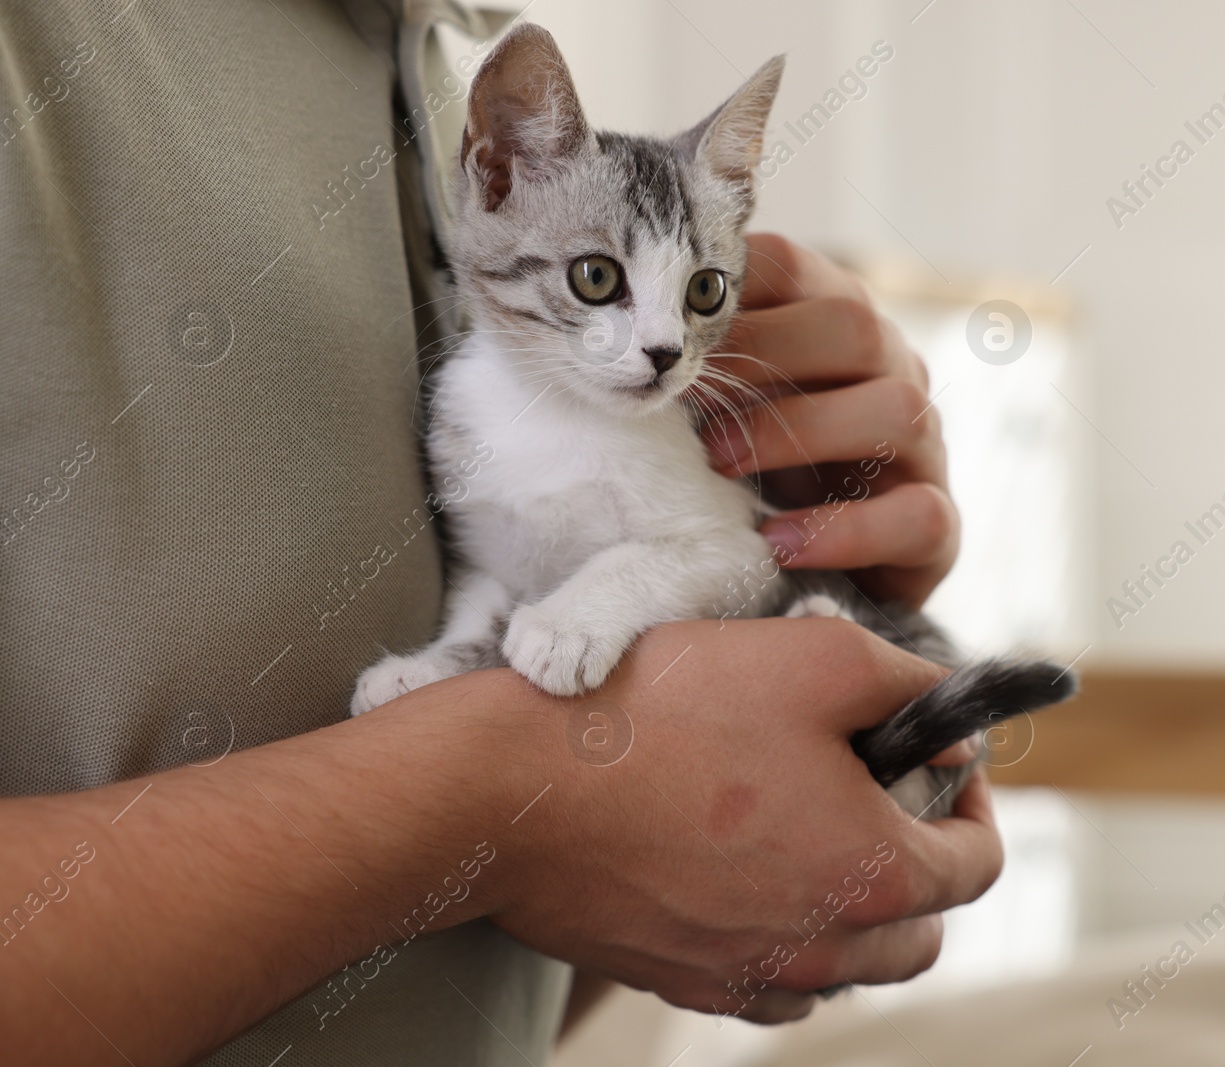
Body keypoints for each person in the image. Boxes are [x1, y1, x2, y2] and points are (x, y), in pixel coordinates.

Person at [0, 3, 997, 1065]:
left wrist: (741, 781)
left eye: (702, 293)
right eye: (604, 280)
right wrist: (513, 801)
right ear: (498, 172)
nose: (664, 346)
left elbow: (519, 959)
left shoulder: (437, 46)